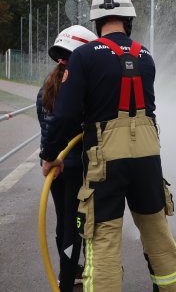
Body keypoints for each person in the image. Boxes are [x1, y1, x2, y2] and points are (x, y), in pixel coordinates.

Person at [39, 0, 176, 291]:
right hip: (148, 157)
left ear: (97, 22)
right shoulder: (145, 55)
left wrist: (50, 154)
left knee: (103, 240)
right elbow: (150, 109)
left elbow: (65, 116)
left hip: (105, 159)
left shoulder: (83, 56)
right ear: (128, 19)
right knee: (158, 233)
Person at [37, 25, 98, 291]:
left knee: (65, 222)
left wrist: (47, 159)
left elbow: (47, 129)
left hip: (56, 169)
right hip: (78, 168)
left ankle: (67, 273)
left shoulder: (47, 87)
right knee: (78, 224)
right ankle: (67, 276)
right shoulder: (81, 88)